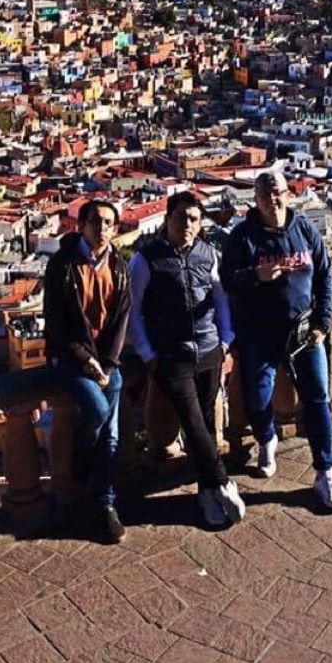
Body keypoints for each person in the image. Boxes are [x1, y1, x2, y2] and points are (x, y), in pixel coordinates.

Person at [222, 170, 332, 512]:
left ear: (288, 194)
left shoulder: (305, 230)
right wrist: (256, 276)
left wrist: (323, 322)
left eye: (276, 192)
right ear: (255, 200)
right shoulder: (242, 237)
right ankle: (266, 438)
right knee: (258, 399)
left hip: (304, 333)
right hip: (259, 334)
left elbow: (324, 276)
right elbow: (228, 279)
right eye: (263, 194)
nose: (271, 199)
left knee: (318, 398)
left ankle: (325, 472)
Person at [128, 191, 246, 528]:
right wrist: (148, 354)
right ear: (168, 219)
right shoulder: (145, 259)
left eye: (194, 219)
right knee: (193, 422)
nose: (188, 224)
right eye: (182, 217)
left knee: (206, 425)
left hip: (209, 350)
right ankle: (222, 482)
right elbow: (134, 311)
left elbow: (220, 298)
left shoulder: (208, 253)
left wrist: (226, 340)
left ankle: (207, 493)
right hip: (171, 355)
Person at [42, 198, 131, 542]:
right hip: (70, 360)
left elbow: (120, 320)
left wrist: (106, 363)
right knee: (98, 410)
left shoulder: (120, 267)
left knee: (111, 434)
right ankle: (80, 456)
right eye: (96, 222)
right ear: (81, 226)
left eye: (109, 223)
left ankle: (105, 505)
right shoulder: (63, 265)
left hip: (107, 362)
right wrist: (87, 361)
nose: (102, 229)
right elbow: (57, 324)